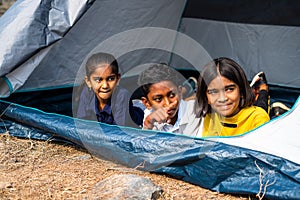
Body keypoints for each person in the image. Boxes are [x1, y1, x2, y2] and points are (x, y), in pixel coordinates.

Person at [195, 57, 270, 137]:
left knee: (262, 105)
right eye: (213, 92)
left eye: (229, 89)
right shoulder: (210, 117)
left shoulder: (258, 119)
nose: (222, 98)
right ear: (206, 97)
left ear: (241, 91)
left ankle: (263, 91)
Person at [75, 52, 140, 127]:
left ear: (118, 79)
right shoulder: (87, 92)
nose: (105, 85)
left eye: (110, 79)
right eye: (98, 80)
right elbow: (81, 122)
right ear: (88, 82)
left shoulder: (122, 95)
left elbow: (119, 131)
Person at [137, 63, 202, 137]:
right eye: (158, 99)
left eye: (172, 95)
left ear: (180, 92)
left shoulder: (197, 111)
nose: (167, 103)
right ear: (146, 103)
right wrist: (148, 126)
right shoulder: (150, 116)